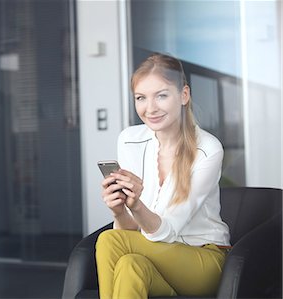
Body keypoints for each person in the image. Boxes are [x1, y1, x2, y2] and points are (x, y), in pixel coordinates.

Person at [96, 53, 230, 299]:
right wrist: (119, 210)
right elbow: (133, 230)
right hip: (154, 257)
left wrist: (136, 205)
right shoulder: (129, 140)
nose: (150, 109)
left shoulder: (207, 149)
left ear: (184, 95)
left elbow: (166, 231)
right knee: (129, 267)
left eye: (161, 95)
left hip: (203, 260)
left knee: (109, 241)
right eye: (141, 98)